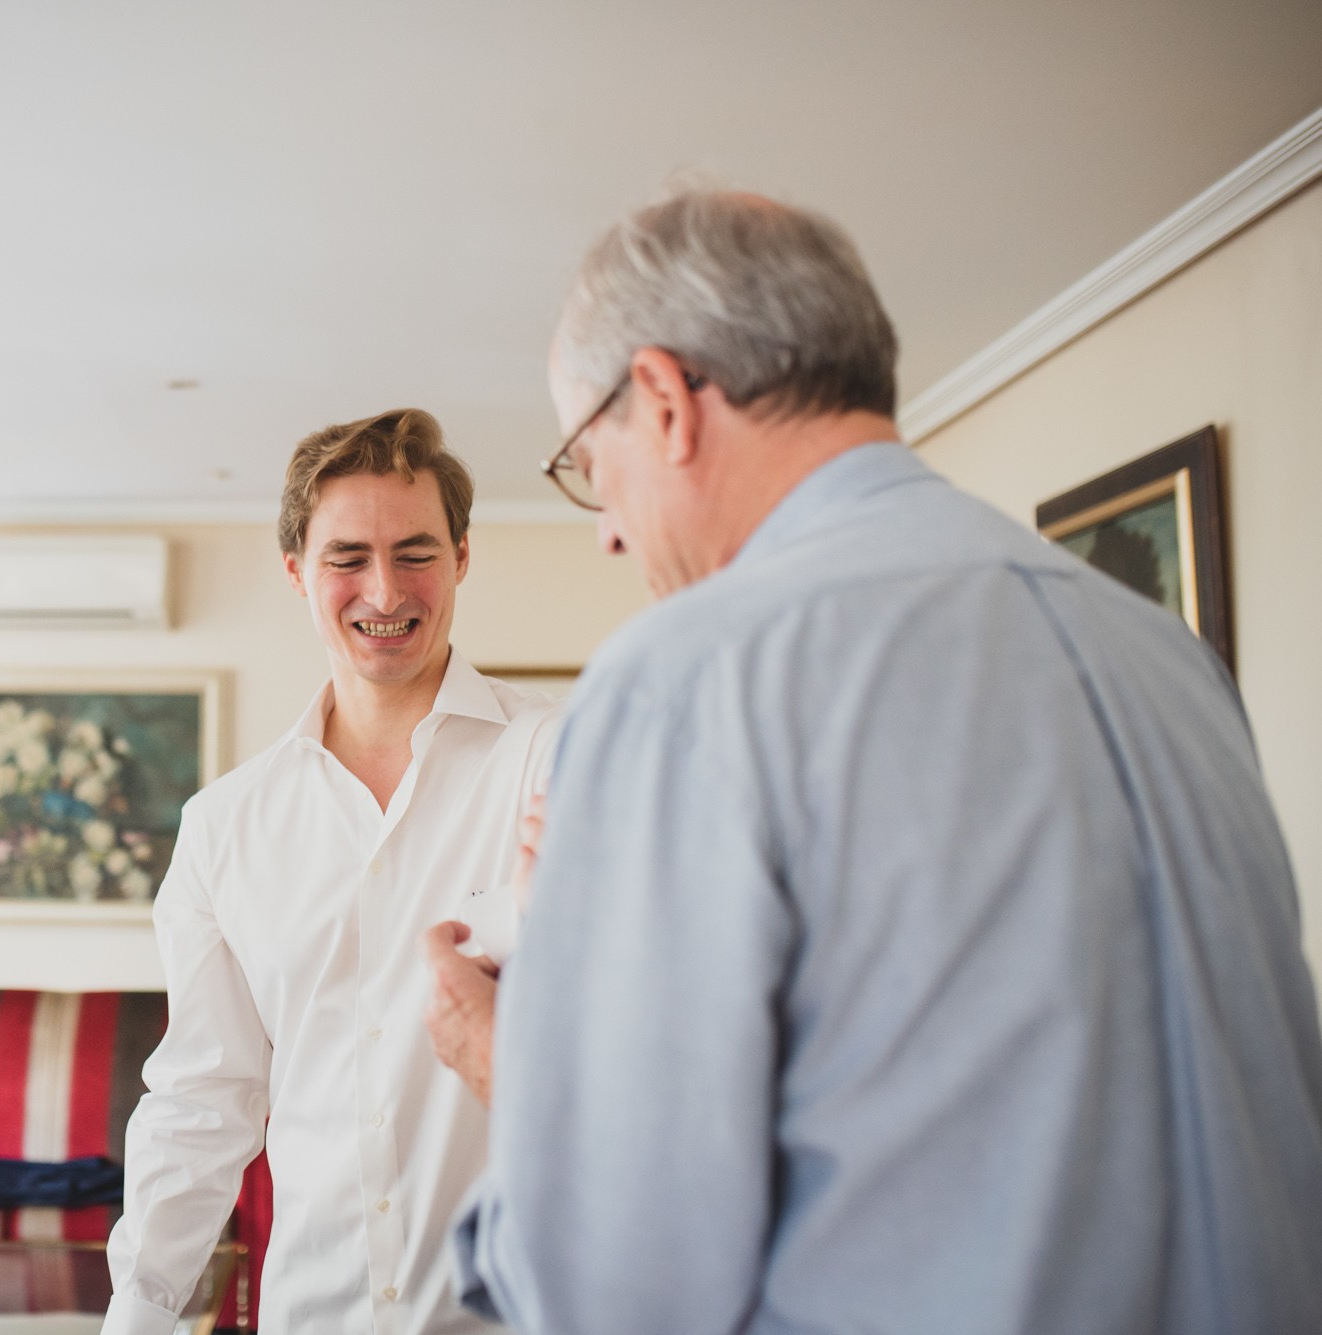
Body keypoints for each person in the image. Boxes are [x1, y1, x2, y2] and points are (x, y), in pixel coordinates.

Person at [423, 190, 1322, 1334]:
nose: (602, 527)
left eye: (585, 462)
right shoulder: (1165, 653)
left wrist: (519, 1059)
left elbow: (614, 1289)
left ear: (662, 400)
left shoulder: (680, 683)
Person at [104, 409, 560, 1335]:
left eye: (416, 553)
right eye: (347, 557)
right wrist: (138, 1315)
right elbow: (202, 1099)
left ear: (461, 557)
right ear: (296, 572)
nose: (384, 590)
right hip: (314, 1312)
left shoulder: (558, 761)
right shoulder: (224, 826)